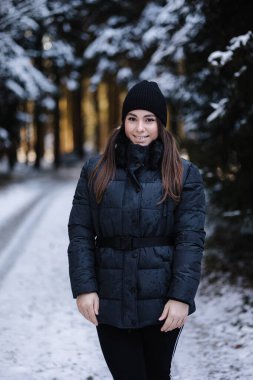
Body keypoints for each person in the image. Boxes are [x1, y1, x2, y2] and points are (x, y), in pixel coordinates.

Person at [67, 80, 206, 380]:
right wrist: (84, 288)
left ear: (161, 124)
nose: (139, 128)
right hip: (110, 300)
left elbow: (190, 240)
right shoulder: (96, 170)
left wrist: (181, 297)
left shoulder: (184, 174)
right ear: (123, 121)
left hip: (162, 303)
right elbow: (80, 231)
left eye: (149, 120)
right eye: (132, 118)